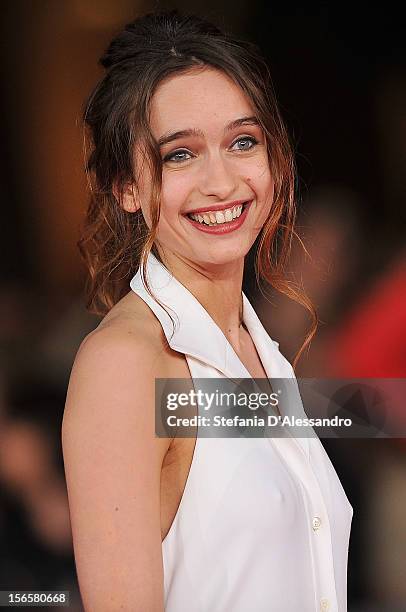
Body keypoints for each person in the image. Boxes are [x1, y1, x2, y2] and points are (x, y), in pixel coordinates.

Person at [62, 10, 353, 612]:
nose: (221, 181)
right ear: (127, 186)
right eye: (180, 155)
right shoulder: (127, 363)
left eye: (242, 142)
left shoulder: (255, 346)